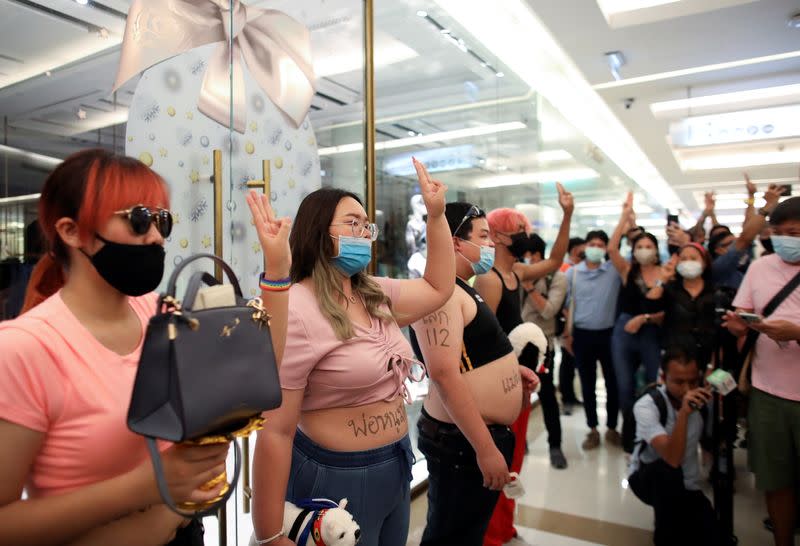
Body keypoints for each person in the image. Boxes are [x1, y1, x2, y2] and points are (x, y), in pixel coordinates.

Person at [0, 149, 291, 545]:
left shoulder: (161, 315)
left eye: (161, 221)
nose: (155, 236)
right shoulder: (23, 349)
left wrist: (277, 273)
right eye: (138, 220)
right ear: (70, 231)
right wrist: (148, 486)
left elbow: (254, 379)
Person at [251, 159, 455, 546]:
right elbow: (276, 430)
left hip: (397, 462)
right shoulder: (295, 307)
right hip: (333, 478)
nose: (364, 232)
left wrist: (437, 216)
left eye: (367, 225)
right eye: (352, 223)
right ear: (318, 231)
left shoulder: (372, 292)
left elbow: (438, 286)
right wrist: (269, 533)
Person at [410, 202, 538, 546]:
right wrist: (485, 448)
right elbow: (443, 374)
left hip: (474, 436)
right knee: (451, 536)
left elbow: (470, 357)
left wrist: (512, 370)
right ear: (454, 242)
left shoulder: (461, 286)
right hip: (462, 442)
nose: (491, 244)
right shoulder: (442, 294)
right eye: (483, 236)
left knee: (468, 533)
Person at [475, 184, 574, 546]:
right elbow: (485, 336)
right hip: (501, 379)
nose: (525, 237)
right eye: (519, 232)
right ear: (499, 236)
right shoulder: (490, 278)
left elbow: (554, 260)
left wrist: (566, 216)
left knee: (512, 454)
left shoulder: (515, 272)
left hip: (518, 375)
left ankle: (502, 526)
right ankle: (492, 531)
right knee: (502, 455)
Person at [723, 196, 800, 546]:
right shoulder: (760, 267)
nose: (787, 239)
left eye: (795, 233)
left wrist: (796, 333)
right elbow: (744, 311)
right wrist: (740, 325)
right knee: (775, 477)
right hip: (767, 390)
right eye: (780, 233)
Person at [628, 346, 717, 546]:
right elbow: (672, 458)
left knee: (710, 533)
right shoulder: (647, 405)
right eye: (678, 382)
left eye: (693, 381)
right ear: (663, 377)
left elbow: (710, 443)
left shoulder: (705, 402)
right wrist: (684, 414)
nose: (687, 389)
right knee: (667, 475)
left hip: (688, 484)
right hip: (649, 478)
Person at [608, 193, 664, 453]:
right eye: (639, 247)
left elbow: (669, 310)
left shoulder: (665, 274)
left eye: (648, 246)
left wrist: (646, 318)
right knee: (625, 385)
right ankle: (630, 435)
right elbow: (611, 249)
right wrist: (624, 217)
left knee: (654, 382)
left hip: (652, 331)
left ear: (655, 250)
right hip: (624, 330)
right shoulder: (628, 270)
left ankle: (653, 435)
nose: (643, 250)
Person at [564, 229, 622, 450]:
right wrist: (568, 334)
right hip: (582, 335)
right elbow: (567, 306)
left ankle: (613, 428)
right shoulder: (573, 273)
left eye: (600, 244)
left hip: (609, 335)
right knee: (587, 384)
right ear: (585, 247)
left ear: (606, 248)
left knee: (612, 383)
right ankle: (593, 429)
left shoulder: (613, 271)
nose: (595, 248)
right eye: (592, 244)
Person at [521, 233, 568, 469]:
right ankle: (521, 442)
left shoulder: (556, 278)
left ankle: (555, 446)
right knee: (517, 397)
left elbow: (549, 311)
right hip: (516, 346)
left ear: (537, 256)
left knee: (547, 395)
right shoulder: (513, 275)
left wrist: (529, 288)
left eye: (527, 257)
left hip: (542, 347)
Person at [645, 244, 716, 369]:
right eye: (683, 259)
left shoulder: (715, 291)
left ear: (704, 263)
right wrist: (663, 278)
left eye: (693, 259)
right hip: (676, 358)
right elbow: (649, 306)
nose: (688, 262)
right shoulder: (671, 289)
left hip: (708, 358)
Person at [559, 237, 585, 413]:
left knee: (573, 362)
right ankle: (567, 398)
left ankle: (571, 396)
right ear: (575, 249)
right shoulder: (566, 269)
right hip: (567, 323)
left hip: (577, 323)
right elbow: (563, 301)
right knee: (568, 363)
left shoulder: (579, 267)